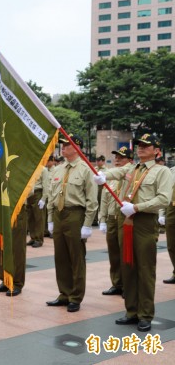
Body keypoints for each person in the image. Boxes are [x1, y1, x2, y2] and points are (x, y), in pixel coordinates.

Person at [94, 133, 172, 332]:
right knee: (127, 265)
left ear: (156, 150)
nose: (141, 148)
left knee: (145, 268)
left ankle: (145, 314)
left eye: (146, 145)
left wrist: (138, 207)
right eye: (139, 145)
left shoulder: (162, 171)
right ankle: (131, 311)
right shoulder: (132, 168)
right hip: (124, 220)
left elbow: (163, 199)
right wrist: (102, 176)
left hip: (143, 220)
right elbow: (116, 173)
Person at [46, 134, 98, 313]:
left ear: (77, 148)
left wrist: (88, 224)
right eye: (63, 145)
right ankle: (64, 293)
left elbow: (92, 200)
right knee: (60, 257)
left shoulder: (86, 169)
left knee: (76, 257)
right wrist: (51, 219)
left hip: (76, 214)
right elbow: (52, 197)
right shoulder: (59, 169)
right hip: (60, 214)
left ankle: (76, 296)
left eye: (67, 145)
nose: (63, 147)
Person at [98, 146, 134, 296]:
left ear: (130, 160)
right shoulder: (112, 177)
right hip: (112, 218)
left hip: (125, 218)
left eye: (122, 158)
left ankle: (128, 286)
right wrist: (103, 219)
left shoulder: (131, 173)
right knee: (113, 253)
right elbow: (105, 200)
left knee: (125, 253)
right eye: (116, 158)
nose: (118, 160)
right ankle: (117, 283)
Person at [26, 168, 49, 248]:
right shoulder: (29, 167)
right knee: (30, 217)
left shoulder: (43, 169)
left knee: (39, 218)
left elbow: (46, 184)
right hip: (29, 194)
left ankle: (39, 239)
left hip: (38, 193)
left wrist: (43, 198)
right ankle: (33, 237)